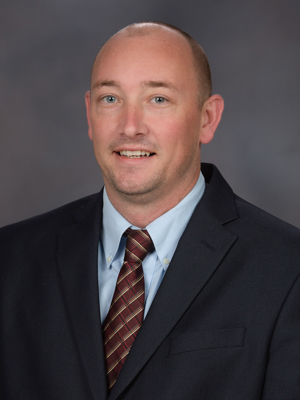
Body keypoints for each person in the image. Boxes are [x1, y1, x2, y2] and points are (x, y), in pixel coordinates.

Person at [1, 21, 300, 400]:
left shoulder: (288, 268)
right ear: (90, 114)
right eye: (111, 99)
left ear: (207, 119)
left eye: (158, 99)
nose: (130, 127)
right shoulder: (10, 260)